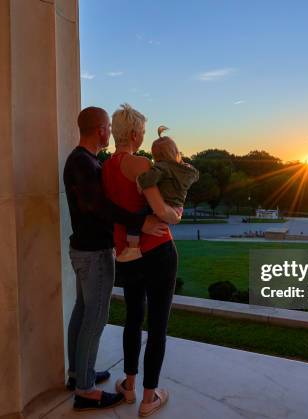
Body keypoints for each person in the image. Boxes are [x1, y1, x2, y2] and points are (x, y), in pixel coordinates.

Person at [63, 106, 168, 412]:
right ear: (100, 130)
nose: (109, 131)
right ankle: (84, 390)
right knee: (94, 320)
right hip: (93, 253)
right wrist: (141, 222)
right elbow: (98, 207)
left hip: (87, 249)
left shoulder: (91, 162)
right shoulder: (83, 162)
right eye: (107, 127)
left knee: (82, 313)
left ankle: (77, 374)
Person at [102, 104, 181, 417]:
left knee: (133, 319)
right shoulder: (141, 164)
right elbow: (161, 210)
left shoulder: (105, 166)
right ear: (134, 134)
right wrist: (174, 215)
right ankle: (150, 398)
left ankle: (130, 387)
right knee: (158, 324)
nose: (144, 137)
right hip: (158, 251)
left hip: (127, 255)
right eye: (143, 133)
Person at [117, 125, 199, 262]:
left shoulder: (162, 168)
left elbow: (149, 178)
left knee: (136, 217)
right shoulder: (188, 170)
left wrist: (139, 182)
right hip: (177, 207)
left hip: (165, 204)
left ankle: (133, 247)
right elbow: (195, 175)